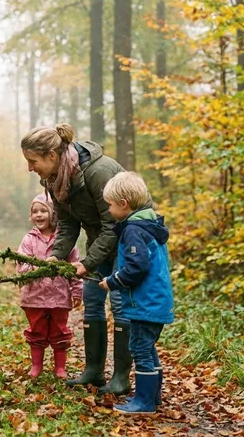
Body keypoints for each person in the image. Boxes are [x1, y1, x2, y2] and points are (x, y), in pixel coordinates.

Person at [20, 123, 135, 394]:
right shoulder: (55, 179)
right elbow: (68, 224)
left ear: (51, 155)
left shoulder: (98, 172)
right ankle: (93, 371)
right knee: (93, 300)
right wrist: (55, 256)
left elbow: (113, 225)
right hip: (101, 241)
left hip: (130, 242)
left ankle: (120, 377)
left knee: (119, 304)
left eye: (32, 161)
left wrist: (86, 262)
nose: (30, 168)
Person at [98, 171, 174, 414]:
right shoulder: (150, 225)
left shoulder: (133, 230)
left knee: (140, 348)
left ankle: (144, 401)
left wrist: (112, 281)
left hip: (146, 304)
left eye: (109, 205)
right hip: (157, 301)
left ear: (123, 204)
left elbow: (137, 267)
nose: (108, 210)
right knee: (148, 348)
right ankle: (154, 396)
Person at [16, 193, 83, 378]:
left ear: (53, 214)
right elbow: (21, 264)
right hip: (34, 297)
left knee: (59, 331)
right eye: (35, 211)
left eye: (43, 211)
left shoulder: (64, 241)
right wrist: (30, 267)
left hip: (59, 297)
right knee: (37, 331)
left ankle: (60, 368)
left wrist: (77, 291)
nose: (39, 215)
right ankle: (36, 366)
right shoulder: (28, 239)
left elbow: (75, 268)